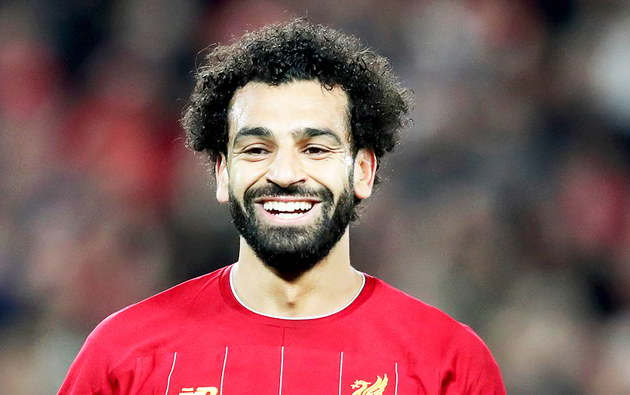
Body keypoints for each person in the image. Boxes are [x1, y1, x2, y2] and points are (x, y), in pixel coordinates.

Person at [59, 19, 506, 394]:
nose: (285, 173)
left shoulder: (449, 364)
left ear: (363, 172)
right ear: (221, 173)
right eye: (256, 149)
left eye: (315, 149)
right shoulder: (122, 358)